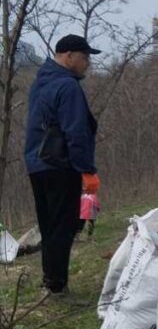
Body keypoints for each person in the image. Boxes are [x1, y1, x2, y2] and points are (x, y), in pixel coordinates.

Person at [24, 34, 101, 295]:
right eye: (84, 57)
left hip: (37, 164)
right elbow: (75, 131)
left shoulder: (40, 82)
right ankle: (56, 286)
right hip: (60, 166)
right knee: (63, 226)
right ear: (69, 56)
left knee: (48, 226)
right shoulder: (68, 86)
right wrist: (87, 170)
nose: (87, 63)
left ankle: (50, 281)